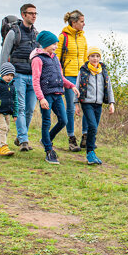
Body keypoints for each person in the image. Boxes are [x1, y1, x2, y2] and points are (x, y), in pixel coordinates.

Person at [30, 31, 79, 164]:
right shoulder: (37, 59)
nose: (56, 46)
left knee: (64, 120)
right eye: (53, 44)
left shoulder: (55, 58)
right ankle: (49, 151)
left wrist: (71, 86)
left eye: (56, 44)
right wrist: (41, 98)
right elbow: (35, 81)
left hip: (57, 94)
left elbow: (61, 77)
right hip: (46, 96)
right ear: (45, 44)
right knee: (46, 122)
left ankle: (46, 139)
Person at [0, 3, 39, 151]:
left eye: (35, 13)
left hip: (33, 77)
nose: (34, 16)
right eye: (31, 13)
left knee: (29, 109)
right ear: (23, 15)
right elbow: (4, 54)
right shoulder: (13, 33)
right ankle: (24, 141)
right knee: (21, 108)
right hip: (18, 75)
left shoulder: (36, 34)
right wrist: (3, 75)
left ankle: (21, 136)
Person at [75, 47, 115, 165]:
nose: (95, 58)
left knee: (94, 128)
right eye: (92, 56)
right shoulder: (83, 71)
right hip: (87, 103)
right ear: (88, 58)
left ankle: (91, 153)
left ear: (100, 58)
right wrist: (76, 104)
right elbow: (76, 87)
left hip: (99, 104)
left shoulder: (103, 72)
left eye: (97, 56)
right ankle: (90, 153)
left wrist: (111, 103)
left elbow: (109, 88)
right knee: (92, 126)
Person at [57, 10, 87, 152]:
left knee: (86, 105)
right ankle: (71, 138)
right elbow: (56, 59)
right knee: (70, 107)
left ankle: (86, 137)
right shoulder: (63, 37)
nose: (84, 24)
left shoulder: (83, 38)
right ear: (74, 22)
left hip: (82, 76)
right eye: (81, 21)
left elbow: (86, 58)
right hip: (68, 76)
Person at [0, 62, 18, 157]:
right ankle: (3, 146)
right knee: (3, 128)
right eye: (7, 75)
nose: (9, 77)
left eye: (11, 75)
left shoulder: (12, 86)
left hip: (8, 112)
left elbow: (15, 100)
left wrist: (15, 113)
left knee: (7, 129)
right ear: (2, 74)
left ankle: (3, 147)